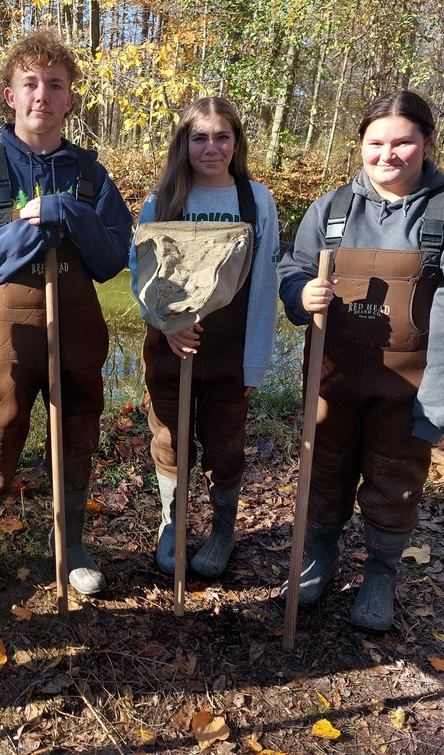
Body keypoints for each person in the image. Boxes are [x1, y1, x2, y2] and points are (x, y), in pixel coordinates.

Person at [277, 90, 444, 632]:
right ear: (360, 145)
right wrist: (300, 294)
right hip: (332, 376)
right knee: (325, 471)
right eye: (376, 143)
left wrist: (438, 399)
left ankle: (381, 571)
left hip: (409, 382)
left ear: (426, 144)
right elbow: (290, 269)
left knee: (395, 481)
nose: (387, 155)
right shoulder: (331, 209)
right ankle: (318, 557)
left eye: (402, 143)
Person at [0, 30, 133, 616]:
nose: (42, 96)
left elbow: (112, 258)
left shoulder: (92, 176)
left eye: (55, 85)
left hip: (78, 323)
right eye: (31, 84)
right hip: (8, 328)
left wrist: (67, 211)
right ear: (9, 95)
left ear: (71, 100)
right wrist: (26, 230)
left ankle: (70, 542)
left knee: (78, 425)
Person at [129, 97, 280, 579]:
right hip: (170, 349)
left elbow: (264, 286)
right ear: (184, 143)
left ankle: (221, 530)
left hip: (229, 353)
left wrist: (254, 362)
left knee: (224, 446)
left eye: (221, 137)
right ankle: (173, 525)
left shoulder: (255, 200)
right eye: (199, 137)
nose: (211, 147)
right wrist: (168, 327)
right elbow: (141, 276)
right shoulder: (163, 200)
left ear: (236, 142)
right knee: (171, 440)